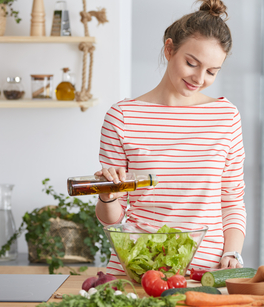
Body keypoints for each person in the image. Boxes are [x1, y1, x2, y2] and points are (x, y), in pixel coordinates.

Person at [95, 0, 246, 276]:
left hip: (205, 275)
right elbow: (114, 221)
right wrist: (106, 196)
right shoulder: (123, 117)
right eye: (192, 63)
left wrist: (231, 253)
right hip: (140, 270)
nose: (200, 78)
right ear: (169, 49)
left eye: (212, 72)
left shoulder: (226, 116)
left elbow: (232, 199)